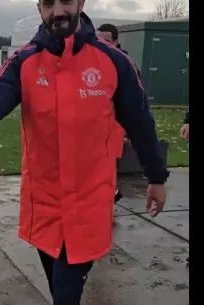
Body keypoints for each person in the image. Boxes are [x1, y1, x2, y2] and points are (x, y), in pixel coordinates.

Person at [0, 1, 169, 305]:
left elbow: (141, 124)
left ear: (81, 3)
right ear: (40, 7)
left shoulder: (113, 63)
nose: (58, 11)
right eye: (49, 2)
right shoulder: (25, 61)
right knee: (61, 293)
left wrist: (157, 176)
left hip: (88, 206)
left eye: (65, 0)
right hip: (45, 206)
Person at [96, 23, 128, 204]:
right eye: (98, 39)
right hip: (94, 127)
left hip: (113, 125)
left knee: (108, 166)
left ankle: (109, 197)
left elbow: (134, 104)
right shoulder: (91, 60)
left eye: (106, 41)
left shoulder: (124, 66)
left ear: (115, 42)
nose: (100, 44)